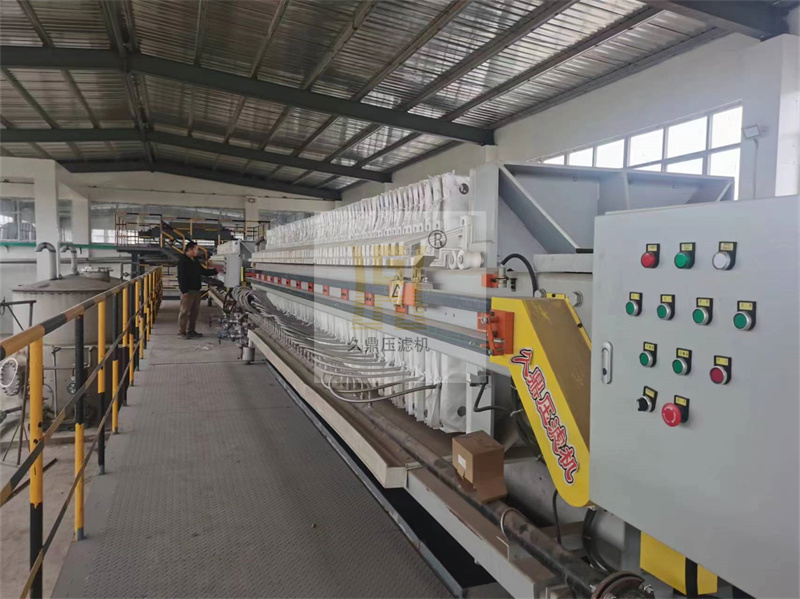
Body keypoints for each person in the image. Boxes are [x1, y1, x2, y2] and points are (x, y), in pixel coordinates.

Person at [177, 241, 217, 339]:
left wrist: (216, 271)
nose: (197, 251)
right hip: (188, 291)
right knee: (184, 312)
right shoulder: (183, 261)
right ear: (190, 249)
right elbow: (181, 277)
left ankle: (191, 330)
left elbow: (203, 271)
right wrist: (184, 291)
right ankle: (182, 332)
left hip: (196, 290)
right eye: (196, 249)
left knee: (194, 312)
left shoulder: (195, 261)